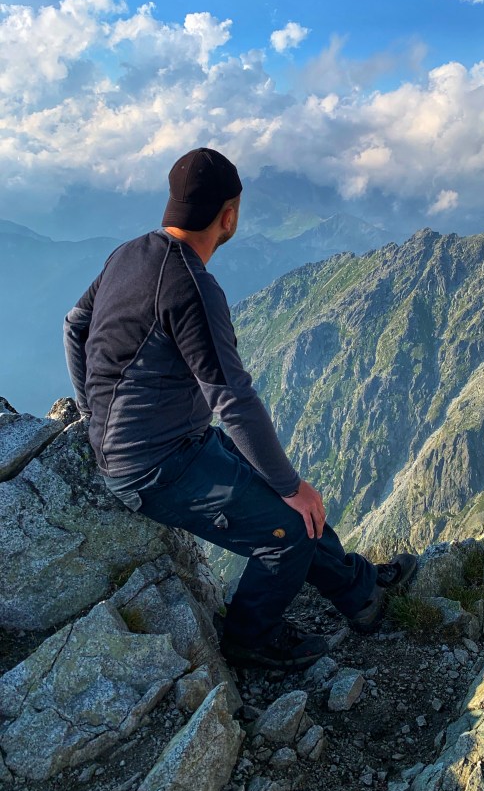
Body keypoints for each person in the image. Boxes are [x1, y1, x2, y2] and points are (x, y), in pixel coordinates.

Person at [63, 147, 416, 670]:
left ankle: (360, 594)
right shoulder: (192, 286)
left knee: (295, 505)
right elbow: (232, 398)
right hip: (155, 467)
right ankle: (250, 637)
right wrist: (292, 486)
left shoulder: (129, 252)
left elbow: (75, 324)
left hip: (174, 442)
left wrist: (91, 411)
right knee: (289, 529)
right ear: (228, 217)